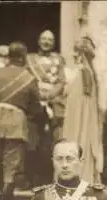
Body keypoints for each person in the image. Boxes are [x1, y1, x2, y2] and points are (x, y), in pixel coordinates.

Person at [0, 41, 45, 200]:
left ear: (9, 56)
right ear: (23, 57)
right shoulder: (29, 78)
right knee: (10, 171)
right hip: (16, 124)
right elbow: (36, 107)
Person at [26, 30, 66, 187]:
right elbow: (27, 80)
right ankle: (31, 180)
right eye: (43, 39)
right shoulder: (30, 59)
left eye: (50, 39)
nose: (46, 42)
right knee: (32, 144)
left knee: (51, 144)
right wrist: (38, 96)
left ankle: (49, 179)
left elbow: (62, 82)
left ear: (54, 42)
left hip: (53, 106)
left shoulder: (59, 60)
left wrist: (49, 95)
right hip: (35, 107)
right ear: (38, 41)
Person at [62, 36, 103, 184]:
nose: (74, 56)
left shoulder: (81, 73)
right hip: (81, 118)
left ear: (82, 55)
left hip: (77, 120)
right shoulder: (89, 74)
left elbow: (69, 94)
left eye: (77, 52)